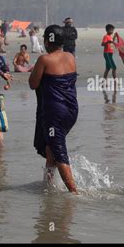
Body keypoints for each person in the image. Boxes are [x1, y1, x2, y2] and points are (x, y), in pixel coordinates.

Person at [29, 24, 79, 194]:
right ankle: (48, 185)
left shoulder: (44, 59)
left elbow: (33, 84)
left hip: (54, 112)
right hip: (71, 111)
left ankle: (74, 193)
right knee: (51, 148)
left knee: (58, 151)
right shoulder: (71, 57)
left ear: (47, 42)